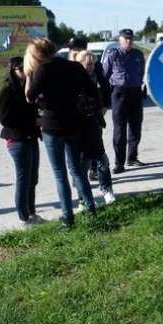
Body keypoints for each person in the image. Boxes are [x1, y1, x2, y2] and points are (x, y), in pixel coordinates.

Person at [24, 37, 97, 228]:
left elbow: (30, 97)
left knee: (60, 174)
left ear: (37, 54)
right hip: (74, 123)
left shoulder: (42, 70)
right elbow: (92, 90)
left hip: (52, 126)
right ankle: (91, 208)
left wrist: (29, 75)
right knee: (78, 170)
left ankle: (68, 218)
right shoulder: (74, 67)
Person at [0, 56, 42, 223]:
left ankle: (31, 213)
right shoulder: (7, 91)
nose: (24, 71)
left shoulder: (29, 89)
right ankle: (24, 218)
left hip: (32, 137)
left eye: (26, 67)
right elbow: (5, 119)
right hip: (17, 140)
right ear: (12, 70)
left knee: (33, 178)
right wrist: (33, 121)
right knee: (23, 178)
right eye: (19, 69)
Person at [67, 37, 111, 182]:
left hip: (94, 111)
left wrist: (105, 106)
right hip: (76, 115)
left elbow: (104, 85)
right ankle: (78, 177)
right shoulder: (68, 67)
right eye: (73, 49)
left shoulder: (94, 65)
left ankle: (93, 171)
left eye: (78, 49)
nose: (75, 52)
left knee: (96, 142)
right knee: (79, 148)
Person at [102, 28, 146, 174]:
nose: (128, 41)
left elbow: (141, 73)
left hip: (135, 92)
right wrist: (105, 98)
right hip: (119, 93)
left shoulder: (138, 55)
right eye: (125, 39)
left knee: (135, 126)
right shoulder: (113, 56)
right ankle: (119, 163)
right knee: (119, 130)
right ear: (120, 40)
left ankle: (132, 157)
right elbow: (105, 77)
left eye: (130, 39)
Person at [75, 50, 115, 204]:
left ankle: (107, 190)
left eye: (93, 64)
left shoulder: (96, 77)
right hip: (80, 127)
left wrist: (103, 108)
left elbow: (104, 94)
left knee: (102, 160)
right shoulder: (74, 81)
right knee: (82, 163)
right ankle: (82, 198)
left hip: (95, 124)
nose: (92, 67)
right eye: (89, 64)